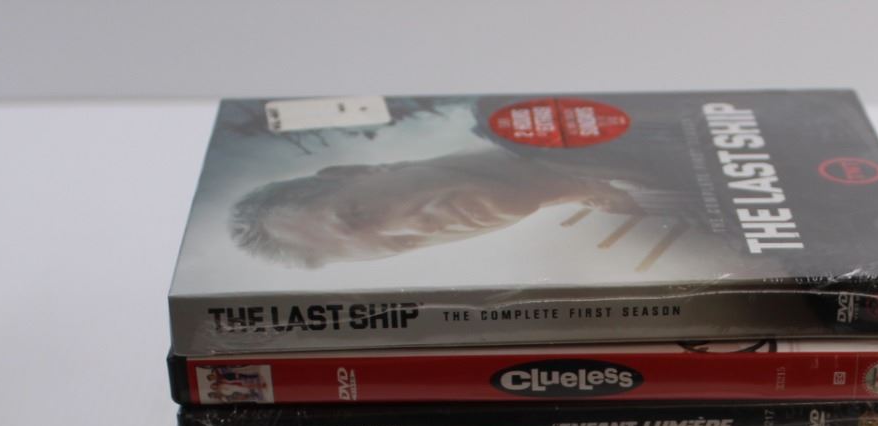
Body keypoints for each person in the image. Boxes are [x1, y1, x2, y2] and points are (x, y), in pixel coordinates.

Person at [230, 150, 650, 267]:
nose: (417, 227)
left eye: (359, 215)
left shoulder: (541, 128)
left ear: (358, 171)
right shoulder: (602, 204)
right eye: (404, 244)